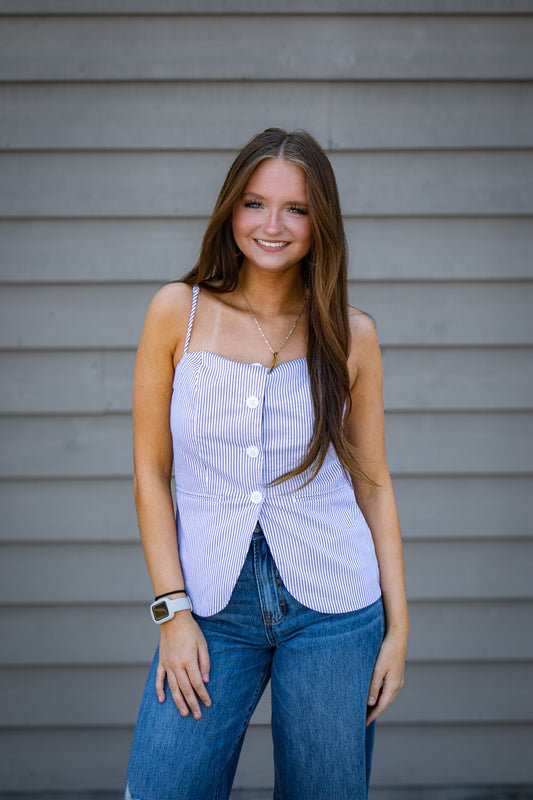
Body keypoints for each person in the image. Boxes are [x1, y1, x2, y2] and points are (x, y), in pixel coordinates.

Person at [124, 128, 409, 800]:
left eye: (295, 209)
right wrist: (172, 613)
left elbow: (372, 483)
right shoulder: (177, 312)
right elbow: (149, 471)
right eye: (255, 203)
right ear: (231, 208)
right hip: (209, 605)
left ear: (320, 222)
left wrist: (399, 629)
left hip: (335, 609)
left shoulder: (351, 333)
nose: (271, 226)